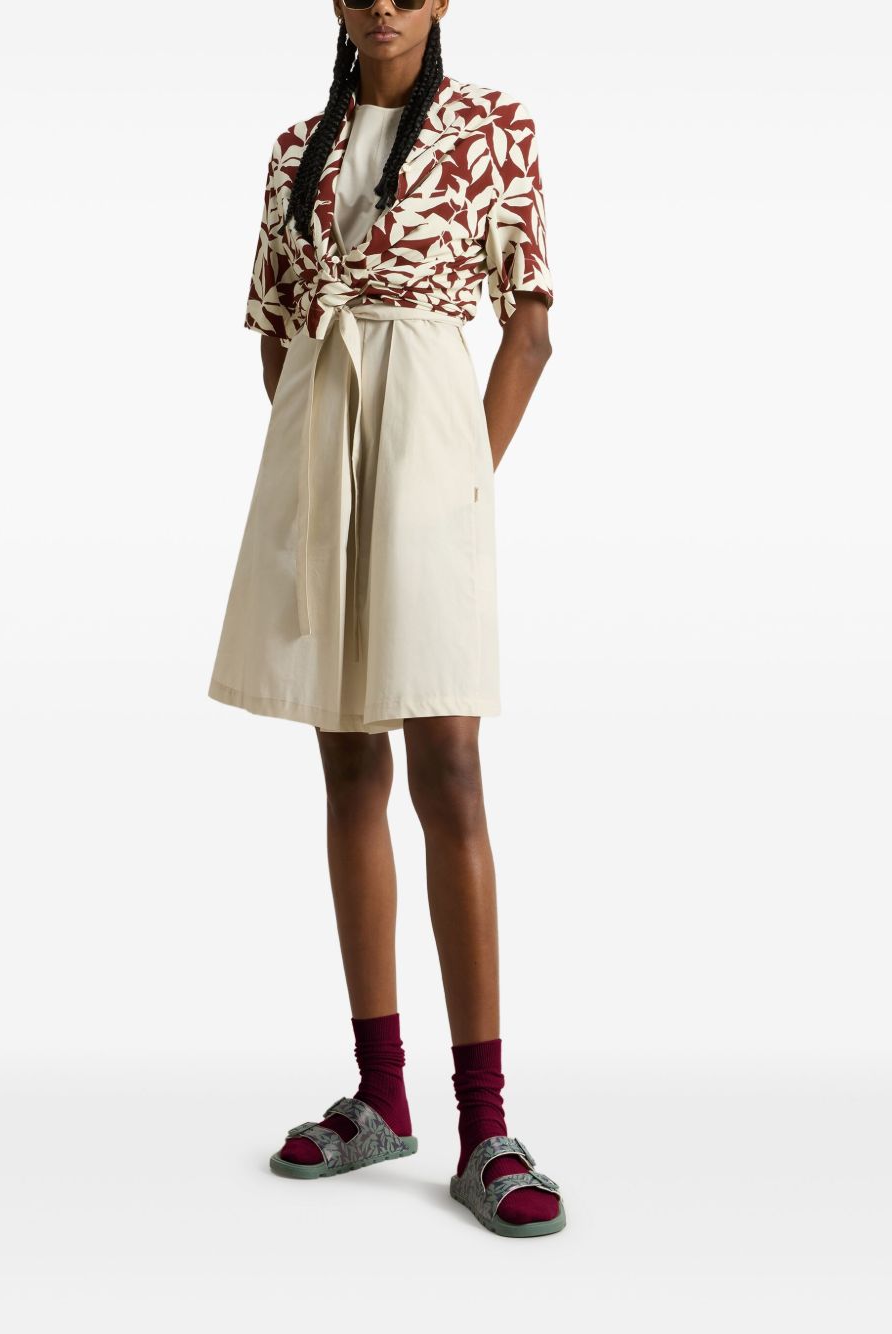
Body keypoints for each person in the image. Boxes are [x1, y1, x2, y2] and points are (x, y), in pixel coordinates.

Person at [208, 0, 564, 1238]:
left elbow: (530, 327)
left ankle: (487, 1125)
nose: (383, 5)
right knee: (348, 766)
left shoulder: (492, 126)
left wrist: (461, 478)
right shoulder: (290, 148)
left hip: (426, 446)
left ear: (441, 0)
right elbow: (275, 335)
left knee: (449, 766)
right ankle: (381, 1093)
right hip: (319, 455)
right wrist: (315, 461)